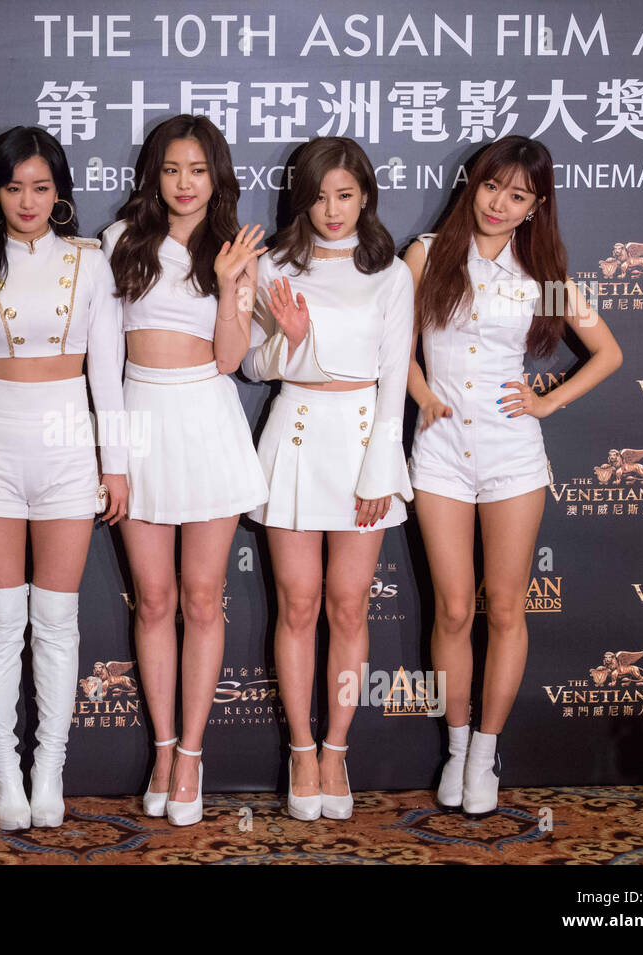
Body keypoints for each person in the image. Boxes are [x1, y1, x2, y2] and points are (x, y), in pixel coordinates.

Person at [404, 135, 622, 816]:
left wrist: (548, 399)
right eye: (493, 186)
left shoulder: (541, 274)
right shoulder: (425, 251)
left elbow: (608, 351)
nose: (500, 203)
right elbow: (391, 348)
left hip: (512, 454)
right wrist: (421, 394)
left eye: (519, 195)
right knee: (454, 607)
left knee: (504, 607)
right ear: (473, 183)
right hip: (438, 450)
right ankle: (455, 743)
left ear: (535, 208)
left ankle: (485, 754)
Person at [0, 126, 128, 830]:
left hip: (68, 442)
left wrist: (118, 463)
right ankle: (4, 776)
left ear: (61, 193)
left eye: (41, 186)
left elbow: (108, 371)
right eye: (13, 186)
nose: (27, 200)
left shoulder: (90, 260)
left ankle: (50, 770)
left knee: (56, 619)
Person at [101, 114, 268, 826]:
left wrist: (232, 283)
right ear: (154, 175)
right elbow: (104, 364)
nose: (185, 183)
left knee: (203, 598)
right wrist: (112, 458)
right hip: (139, 416)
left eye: (198, 170)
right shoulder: (118, 242)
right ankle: (163, 747)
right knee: (156, 598)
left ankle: (193, 753)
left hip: (207, 418)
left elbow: (232, 359)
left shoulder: (236, 250)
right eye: (172, 169)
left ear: (216, 176)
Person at [242, 137, 414, 821]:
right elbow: (253, 366)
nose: (332, 209)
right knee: (299, 603)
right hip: (297, 434)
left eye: (344, 194)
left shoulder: (391, 273)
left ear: (365, 195)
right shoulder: (273, 264)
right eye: (318, 195)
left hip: (363, 439)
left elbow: (396, 377)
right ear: (300, 198)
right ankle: (301, 749)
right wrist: (288, 334)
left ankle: (338, 750)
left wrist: (382, 465)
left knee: (348, 605)